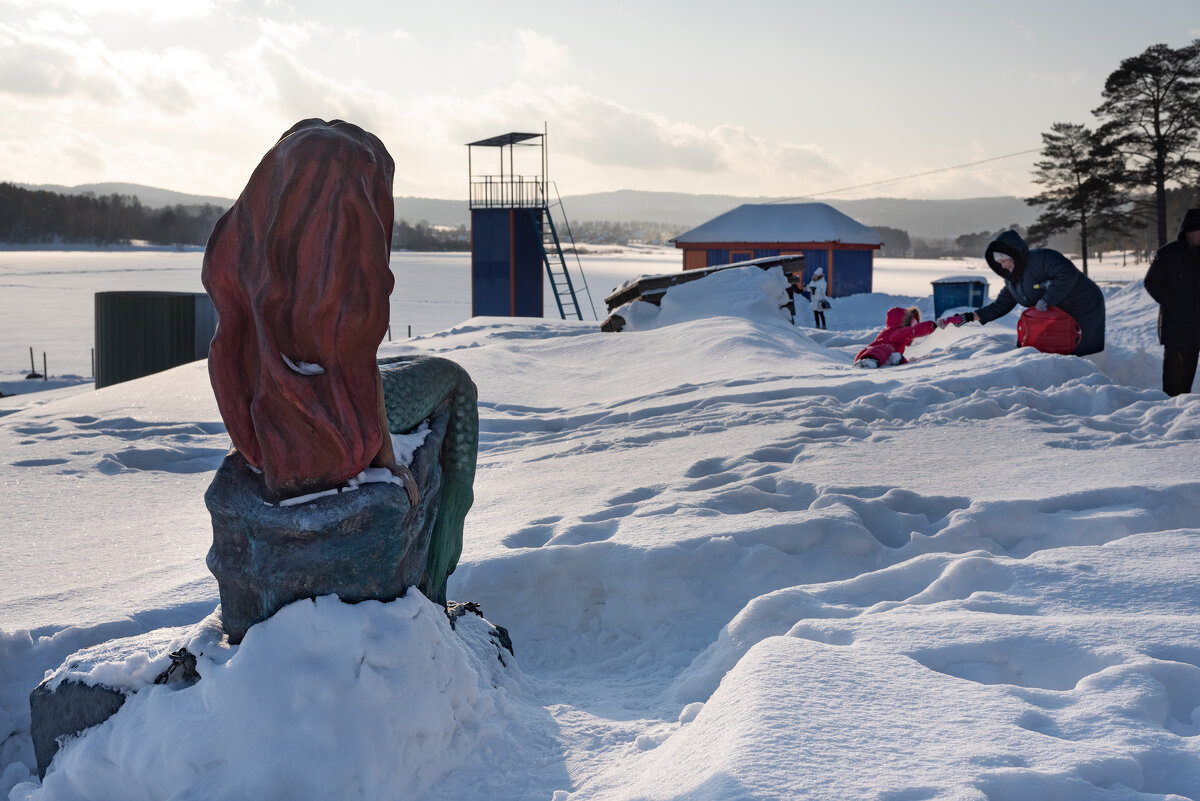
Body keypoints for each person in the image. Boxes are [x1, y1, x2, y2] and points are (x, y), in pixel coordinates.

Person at [938, 229, 1106, 356]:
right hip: (1058, 313)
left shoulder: (1042, 258)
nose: (1002, 265)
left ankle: (1089, 379)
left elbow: (1067, 273)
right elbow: (999, 306)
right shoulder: (1012, 282)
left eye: (1004, 260)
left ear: (1015, 256)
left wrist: (1048, 298)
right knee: (1054, 346)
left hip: (1083, 305)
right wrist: (968, 317)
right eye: (999, 262)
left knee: (1079, 348)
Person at [1144, 208, 1200, 396]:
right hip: (1175, 325)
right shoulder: (1168, 254)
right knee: (1172, 381)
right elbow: (1151, 282)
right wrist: (1173, 303)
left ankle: (1181, 414)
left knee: (1187, 380)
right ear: (1188, 231)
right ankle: (1167, 414)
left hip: (1196, 328)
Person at [854, 306, 937, 368]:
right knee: (886, 348)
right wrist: (930, 326)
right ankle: (868, 362)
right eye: (913, 324)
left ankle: (882, 362)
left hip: (880, 357)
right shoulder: (896, 332)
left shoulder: (896, 338)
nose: (914, 326)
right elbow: (912, 331)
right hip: (870, 354)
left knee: (897, 356)